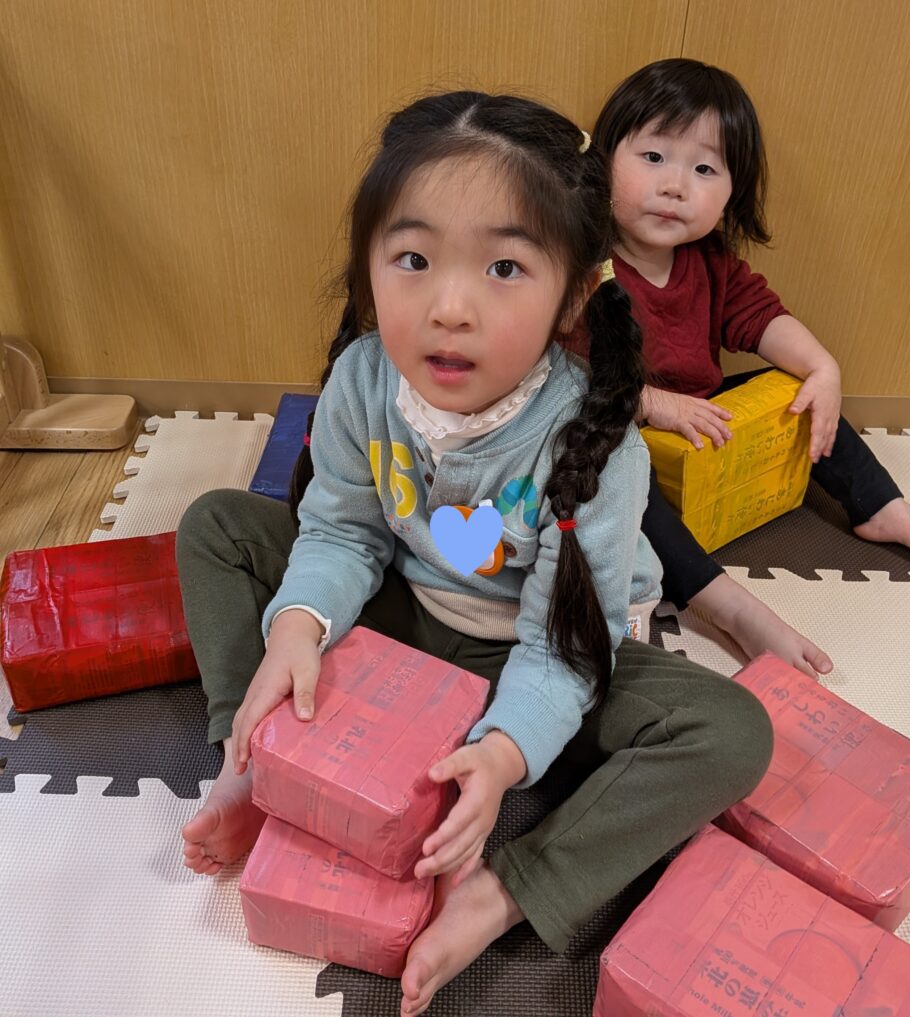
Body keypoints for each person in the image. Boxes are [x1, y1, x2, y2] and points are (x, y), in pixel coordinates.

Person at [176, 90, 773, 1015]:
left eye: (504, 267)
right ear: (368, 268)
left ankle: (502, 894)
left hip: (543, 651)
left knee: (732, 731)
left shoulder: (595, 441)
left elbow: (565, 647)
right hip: (410, 607)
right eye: (413, 260)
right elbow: (343, 531)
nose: (448, 308)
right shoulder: (364, 377)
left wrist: (501, 754)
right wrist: (297, 628)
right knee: (217, 525)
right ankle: (255, 760)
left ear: (574, 294)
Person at [590, 58, 910, 672]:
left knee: (797, 389)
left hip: (705, 426)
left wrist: (823, 367)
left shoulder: (709, 260)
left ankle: (878, 507)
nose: (676, 186)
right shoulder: (587, 266)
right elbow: (564, 381)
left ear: (731, 191)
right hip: (626, 432)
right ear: (603, 159)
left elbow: (762, 318)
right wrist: (653, 402)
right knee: (617, 478)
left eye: (704, 169)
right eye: (653, 157)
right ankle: (727, 605)